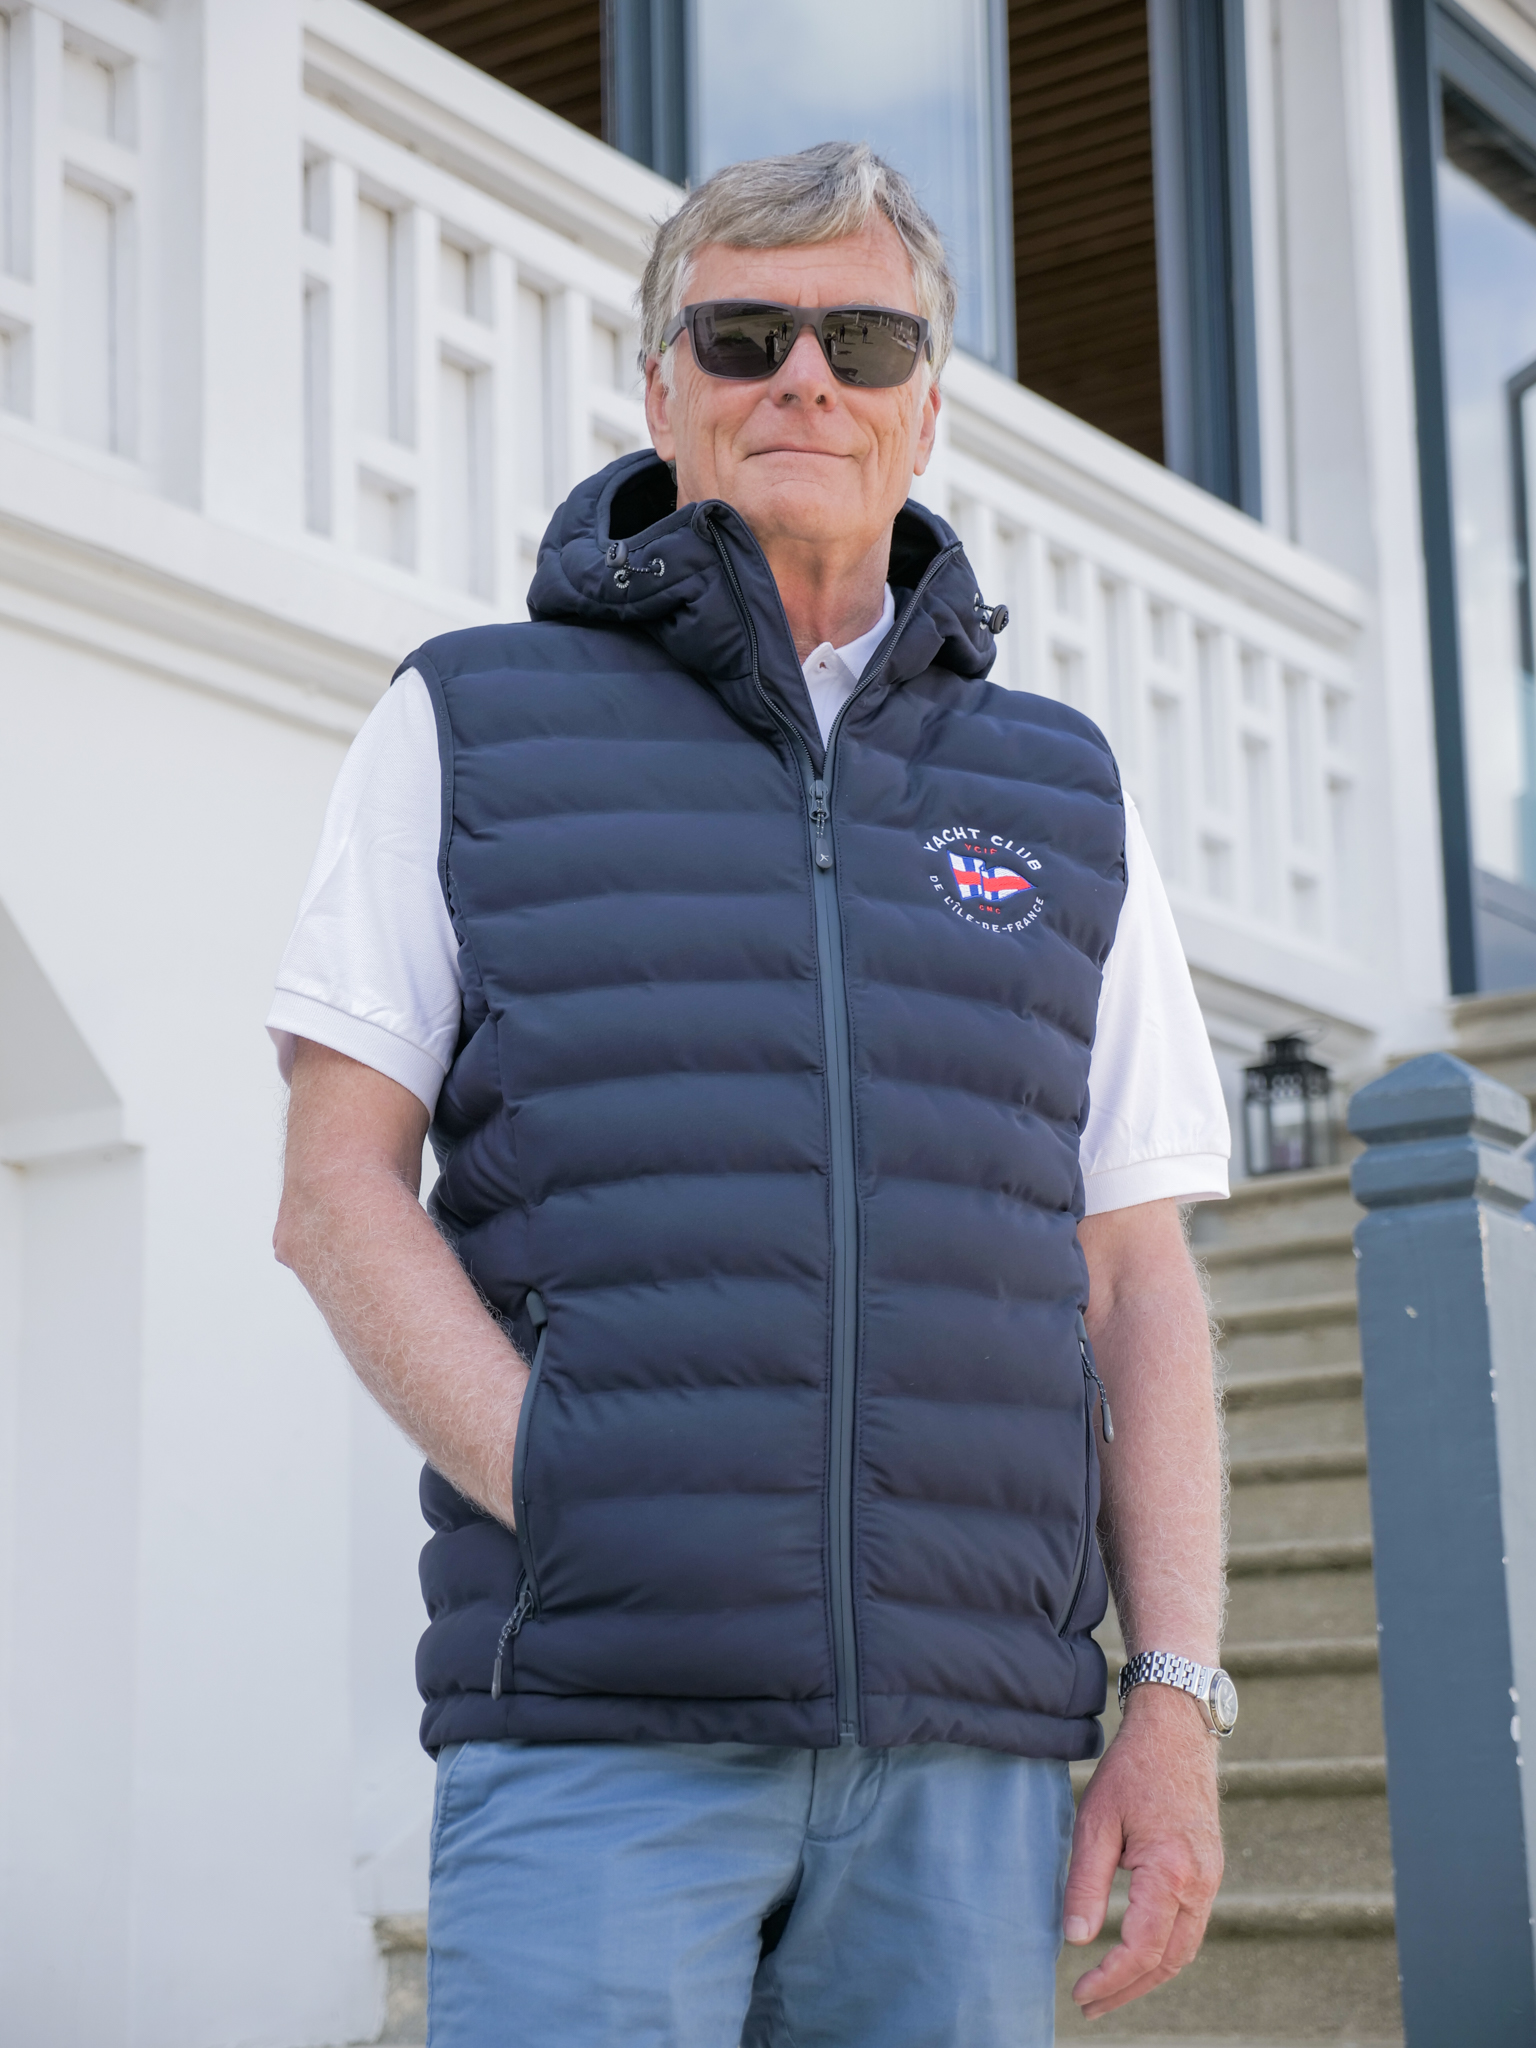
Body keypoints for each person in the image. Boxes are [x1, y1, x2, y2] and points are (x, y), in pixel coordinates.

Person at [271, 141, 1231, 2047]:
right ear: (662, 390)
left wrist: (1176, 1697)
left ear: (926, 410)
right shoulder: (470, 718)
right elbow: (334, 1190)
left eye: (865, 341)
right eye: (744, 335)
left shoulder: (1062, 787)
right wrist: (565, 1485)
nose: (807, 377)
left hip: (970, 1760)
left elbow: (1136, 1276)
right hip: (600, 1729)